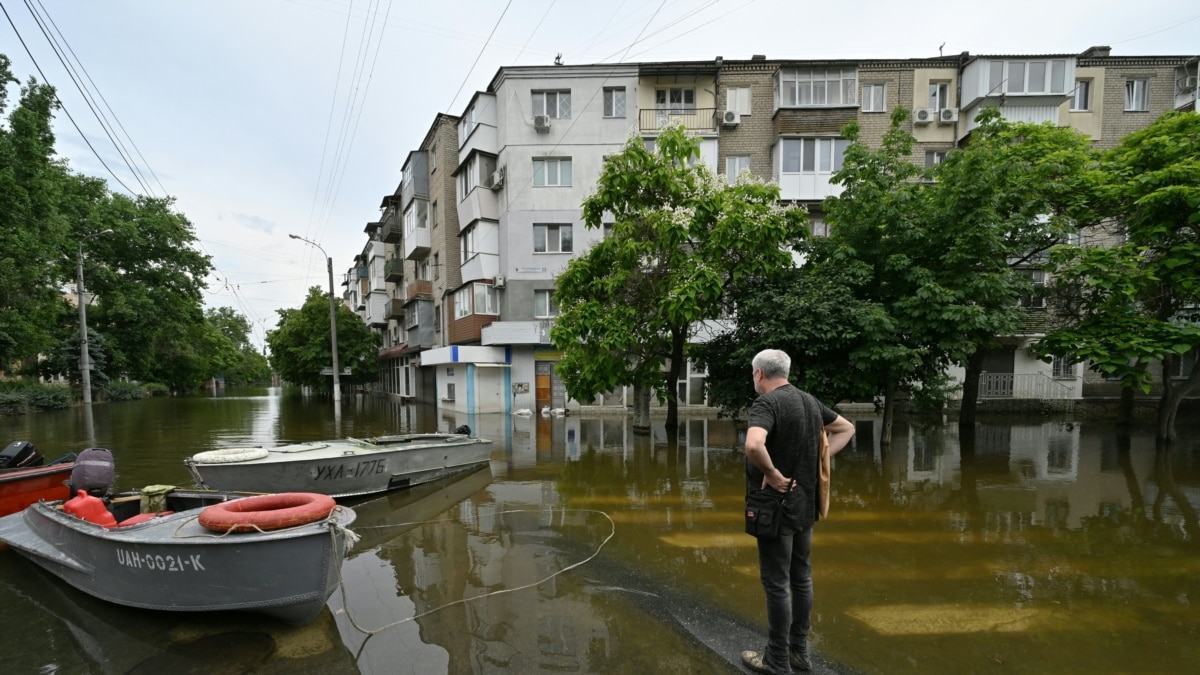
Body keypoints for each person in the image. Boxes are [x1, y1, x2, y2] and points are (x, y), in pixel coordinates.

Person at [741, 349, 855, 674]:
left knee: (776, 582)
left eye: (753, 375)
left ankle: (776, 659)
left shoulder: (767, 403)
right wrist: (820, 460)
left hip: (773, 508)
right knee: (801, 578)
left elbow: (753, 445)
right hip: (805, 505)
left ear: (760, 374)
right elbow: (846, 428)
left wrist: (773, 474)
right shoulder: (809, 402)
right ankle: (798, 653)